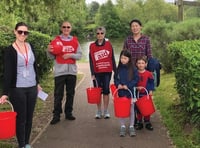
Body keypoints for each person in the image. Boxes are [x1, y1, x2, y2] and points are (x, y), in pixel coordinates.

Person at [0, 22, 42, 148]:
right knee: (21, 119)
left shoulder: (30, 46)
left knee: (29, 117)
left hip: (32, 87)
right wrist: (5, 93)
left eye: (25, 32)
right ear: (15, 32)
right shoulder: (10, 50)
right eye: (20, 32)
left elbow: (34, 66)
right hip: (18, 89)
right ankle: (21, 144)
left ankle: (27, 143)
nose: (23, 34)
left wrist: (37, 83)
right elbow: (7, 73)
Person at [47, 21, 82, 125]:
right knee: (58, 94)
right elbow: (51, 56)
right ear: (61, 28)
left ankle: (68, 113)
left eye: (68, 27)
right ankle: (56, 115)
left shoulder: (75, 41)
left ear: (71, 28)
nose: (66, 28)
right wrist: (48, 50)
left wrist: (70, 55)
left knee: (70, 94)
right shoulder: (56, 41)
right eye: (64, 27)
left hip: (72, 72)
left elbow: (79, 55)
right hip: (60, 72)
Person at [89, 26, 116, 119]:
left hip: (107, 72)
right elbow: (91, 60)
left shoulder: (109, 44)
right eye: (98, 33)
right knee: (97, 92)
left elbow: (112, 58)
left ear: (104, 34)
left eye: (102, 33)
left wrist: (115, 71)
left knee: (106, 91)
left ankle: (106, 111)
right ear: (96, 34)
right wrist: (92, 73)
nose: (100, 35)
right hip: (97, 73)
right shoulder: (92, 46)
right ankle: (99, 111)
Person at [114, 50, 139, 137]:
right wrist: (118, 85)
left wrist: (128, 85)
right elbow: (115, 79)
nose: (123, 60)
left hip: (130, 93)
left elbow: (136, 80)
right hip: (121, 93)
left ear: (129, 59)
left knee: (131, 110)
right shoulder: (118, 69)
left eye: (125, 58)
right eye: (121, 58)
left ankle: (131, 126)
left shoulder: (133, 69)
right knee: (122, 110)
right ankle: (123, 126)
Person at [135, 55, 155, 131]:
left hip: (146, 93)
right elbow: (133, 83)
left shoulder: (149, 74)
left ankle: (147, 122)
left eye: (142, 63)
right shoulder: (135, 73)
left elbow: (151, 83)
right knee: (138, 108)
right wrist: (136, 88)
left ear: (146, 64)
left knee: (147, 107)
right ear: (136, 64)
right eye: (139, 63)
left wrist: (150, 91)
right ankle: (139, 122)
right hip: (137, 94)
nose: (141, 65)